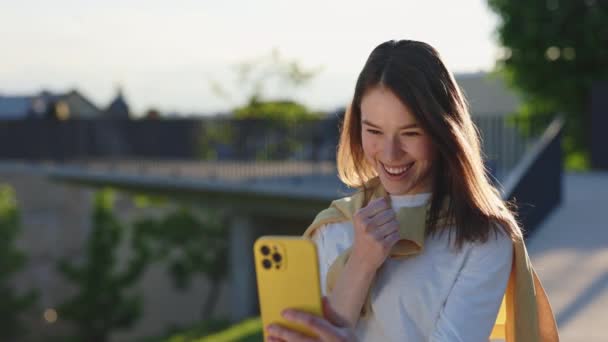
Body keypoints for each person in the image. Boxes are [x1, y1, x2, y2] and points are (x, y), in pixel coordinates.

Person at [266, 39, 558, 342]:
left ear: (444, 131)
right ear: (357, 128)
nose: (391, 154)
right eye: (374, 131)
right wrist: (362, 264)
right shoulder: (333, 226)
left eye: (411, 132)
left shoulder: (482, 239)